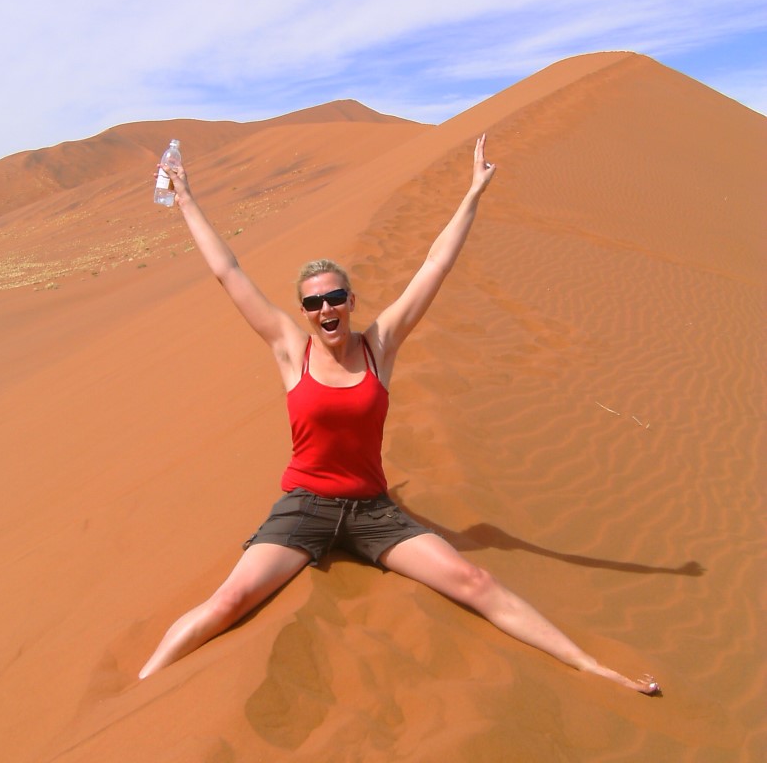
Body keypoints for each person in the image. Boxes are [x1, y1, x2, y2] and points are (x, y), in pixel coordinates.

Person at [138, 134, 661, 696]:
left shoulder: (380, 346)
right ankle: (135, 697)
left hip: (373, 513)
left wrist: (474, 192)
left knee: (473, 578)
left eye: (334, 296)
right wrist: (187, 198)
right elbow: (229, 272)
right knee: (229, 602)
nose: (325, 308)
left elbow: (435, 264)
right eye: (313, 302)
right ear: (304, 313)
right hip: (305, 506)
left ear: (351, 300)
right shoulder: (292, 349)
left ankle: (590, 665)